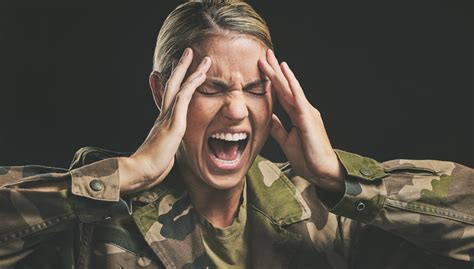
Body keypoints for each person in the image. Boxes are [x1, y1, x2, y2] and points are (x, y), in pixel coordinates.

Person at [0, 1, 472, 268]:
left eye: (255, 89)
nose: (236, 109)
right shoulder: (95, 214)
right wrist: (129, 174)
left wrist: (339, 178)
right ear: (163, 93)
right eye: (210, 89)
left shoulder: (325, 212)